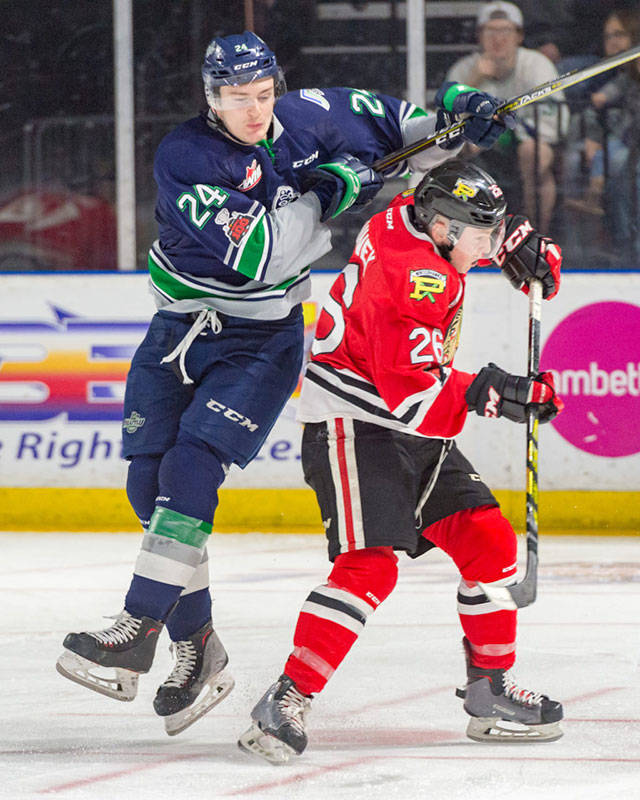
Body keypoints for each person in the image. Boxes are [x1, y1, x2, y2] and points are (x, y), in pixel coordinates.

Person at [55, 31, 512, 736]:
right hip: (178, 328)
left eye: (263, 95)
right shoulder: (186, 156)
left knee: (192, 465)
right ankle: (197, 647)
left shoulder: (306, 115)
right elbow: (261, 256)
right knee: (146, 487)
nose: (255, 111)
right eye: (238, 99)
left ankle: (138, 626)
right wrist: (333, 189)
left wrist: (457, 118)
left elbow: (404, 129)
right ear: (212, 98)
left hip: (259, 341)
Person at [238, 158, 565, 764]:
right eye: (482, 237)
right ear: (442, 230)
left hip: (406, 419)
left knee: (488, 543)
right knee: (370, 569)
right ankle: (286, 696)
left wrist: (511, 240)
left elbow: (456, 231)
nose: (489, 246)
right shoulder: (414, 276)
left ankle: (488, 690)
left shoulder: (409, 219)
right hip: (357, 422)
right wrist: (496, 391)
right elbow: (414, 399)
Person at [446, 1, 568, 232]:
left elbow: (556, 117)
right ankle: (465, 234)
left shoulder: (536, 64)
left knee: (534, 153)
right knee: (447, 157)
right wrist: (473, 81)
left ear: (519, 35)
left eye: (505, 30)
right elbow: (443, 122)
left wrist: (507, 130)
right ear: (479, 36)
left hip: (527, 142)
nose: (498, 38)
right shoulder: (463, 69)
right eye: (490, 31)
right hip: (478, 150)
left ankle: (536, 235)